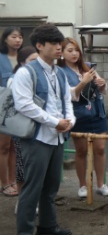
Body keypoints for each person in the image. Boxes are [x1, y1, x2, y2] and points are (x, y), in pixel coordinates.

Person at [13, 24, 75, 235]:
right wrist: (53, 121)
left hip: (57, 137)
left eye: (60, 43)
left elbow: (67, 100)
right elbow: (23, 104)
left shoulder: (60, 72)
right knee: (31, 190)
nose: (59, 47)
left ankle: (48, 227)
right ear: (39, 45)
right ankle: (25, 231)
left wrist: (70, 121)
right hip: (36, 138)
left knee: (51, 188)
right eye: (54, 44)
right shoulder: (26, 72)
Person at [57, 38, 108, 198]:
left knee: (100, 149)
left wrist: (102, 84)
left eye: (76, 50)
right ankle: (82, 185)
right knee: (81, 151)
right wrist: (83, 83)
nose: (74, 54)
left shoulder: (87, 66)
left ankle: (101, 184)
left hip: (97, 112)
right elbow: (69, 95)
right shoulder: (60, 71)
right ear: (62, 53)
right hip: (79, 115)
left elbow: (101, 90)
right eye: (69, 50)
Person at [9, 46, 38, 214]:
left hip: (37, 129)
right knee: (22, 167)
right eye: (32, 60)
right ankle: (22, 202)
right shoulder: (15, 78)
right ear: (22, 62)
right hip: (22, 129)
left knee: (35, 169)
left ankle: (32, 201)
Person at [0, 26, 23, 197]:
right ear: (5, 39)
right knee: (3, 146)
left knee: (16, 146)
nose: (18, 40)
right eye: (14, 36)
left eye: (20, 37)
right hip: (3, 106)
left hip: (20, 107)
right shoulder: (0, 58)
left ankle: (15, 180)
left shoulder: (24, 58)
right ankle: (5, 183)